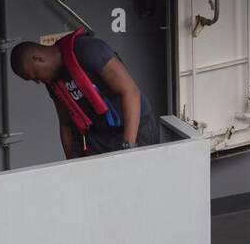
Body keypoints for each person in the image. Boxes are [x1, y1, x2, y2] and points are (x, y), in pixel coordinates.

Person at [10, 32, 159, 158]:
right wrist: (72, 165)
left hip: (135, 127)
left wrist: (129, 149)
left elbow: (130, 91)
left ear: (38, 58)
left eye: (35, 75)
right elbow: (66, 124)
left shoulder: (88, 50)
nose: (38, 82)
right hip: (100, 136)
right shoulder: (53, 82)